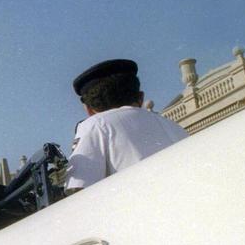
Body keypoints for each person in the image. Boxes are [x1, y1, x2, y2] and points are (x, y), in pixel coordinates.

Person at [64, 58, 186, 191]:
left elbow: (78, 189)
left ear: (88, 109)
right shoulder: (173, 126)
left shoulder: (95, 124)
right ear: (140, 98)